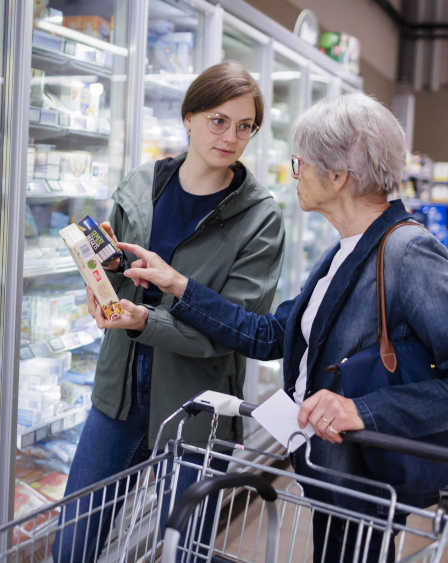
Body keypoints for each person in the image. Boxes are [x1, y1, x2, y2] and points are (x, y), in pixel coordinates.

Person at [100, 92, 448, 562]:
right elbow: (269, 334)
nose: (295, 176)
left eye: (300, 165)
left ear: (336, 177)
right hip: (330, 470)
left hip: (369, 482)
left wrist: (364, 411)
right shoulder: (346, 249)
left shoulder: (408, 253)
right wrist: (178, 286)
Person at [52, 61, 285, 562]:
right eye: (218, 121)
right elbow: (117, 278)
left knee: (186, 549)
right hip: (117, 397)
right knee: (73, 541)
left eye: (245, 126)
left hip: (197, 410)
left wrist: (143, 321)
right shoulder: (142, 184)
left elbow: (231, 331)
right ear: (189, 117)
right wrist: (101, 280)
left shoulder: (259, 216)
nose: (231, 137)